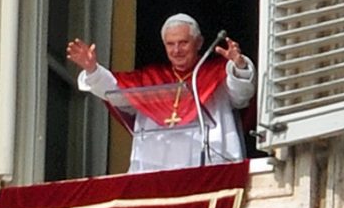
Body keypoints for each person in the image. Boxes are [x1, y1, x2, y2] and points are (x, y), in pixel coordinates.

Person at [66, 13, 256, 174]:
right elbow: (114, 91)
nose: (176, 50)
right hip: (156, 169)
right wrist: (93, 70)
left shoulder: (218, 73)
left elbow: (241, 96)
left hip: (210, 165)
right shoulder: (150, 79)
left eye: (183, 43)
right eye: (170, 44)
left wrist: (238, 65)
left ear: (199, 43)